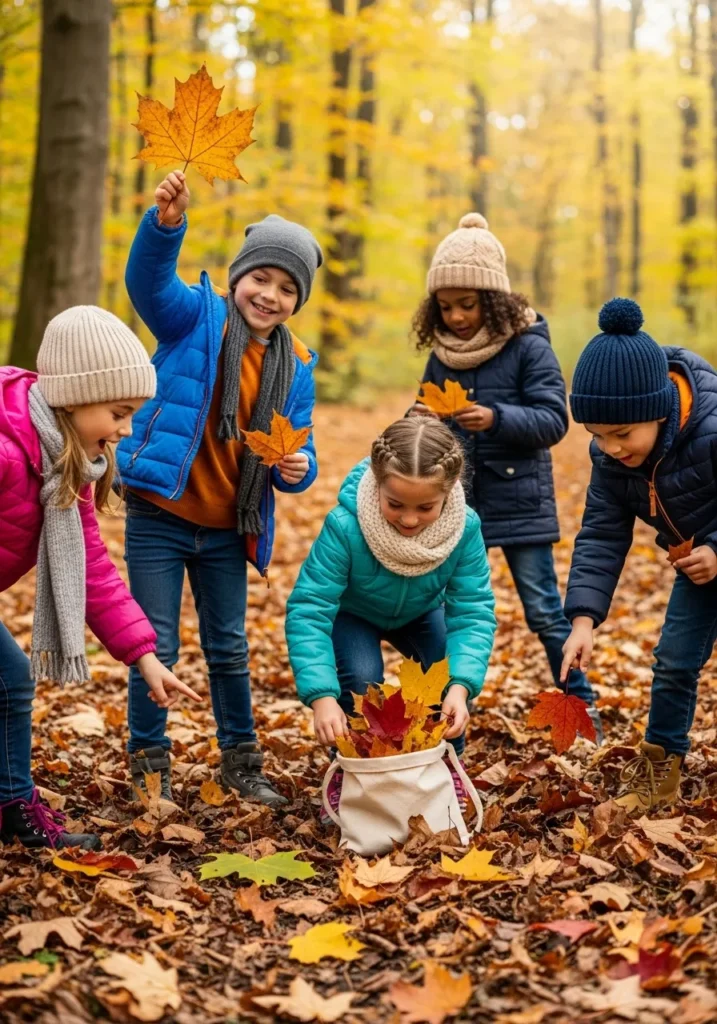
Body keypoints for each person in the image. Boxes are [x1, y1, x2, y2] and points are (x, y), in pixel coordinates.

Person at [117, 170, 322, 807]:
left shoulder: (298, 367)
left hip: (231, 526)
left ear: (298, 301)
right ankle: (150, 766)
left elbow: (302, 447)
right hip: (161, 514)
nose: (270, 295)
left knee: (229, 647)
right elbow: (146, 286)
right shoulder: (195, 320)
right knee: (156, 642)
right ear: (239, 277)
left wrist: (299, 468)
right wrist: (166, 226)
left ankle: (241, 758)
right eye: (261, 278)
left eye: (287, 288)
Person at [0, 306, 201, 850]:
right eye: (119, 411)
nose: (127, 428)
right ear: (75, 397)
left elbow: (89, 563)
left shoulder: (66, 461)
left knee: (8, 679)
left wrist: (144, 655)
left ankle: (12, 805)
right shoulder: (7, 450)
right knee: (9, 678)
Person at [409, 213, 601, 739]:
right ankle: (446, 717)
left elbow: (554, 420)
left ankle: (581, 710)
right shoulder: (441, 357)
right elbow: (421, 414)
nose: (457, 317)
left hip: (520, 500)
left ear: (494, 300)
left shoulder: (529, 345)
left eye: (468, 305)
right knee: (445, 610)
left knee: (543, 609)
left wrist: (496, 418)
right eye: (446, 308)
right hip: (454, 504)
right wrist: (419, 421)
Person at [285, 417, 496, 820]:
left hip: (420, 612)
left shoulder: (464, 528)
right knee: (364, 687)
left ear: (449, 491)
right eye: (395, 504)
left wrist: (462, 688)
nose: (410, 519)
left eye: (425, 507)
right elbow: (309, 608)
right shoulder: (346, 526)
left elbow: (473, 610)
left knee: (443, 677)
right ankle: (351, 774)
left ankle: (448, 764)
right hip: (354, 615)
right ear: (377, 483)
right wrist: (322, 697)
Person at [561, 298, 717, 810]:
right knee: (673, 661)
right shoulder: (613, 461)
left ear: (659, 410)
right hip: (698, 571)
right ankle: (660, 766)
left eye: (622, 434)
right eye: (597, 436)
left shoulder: (710, 430)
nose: (610, 448)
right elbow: (602, 535)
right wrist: (583, 619)